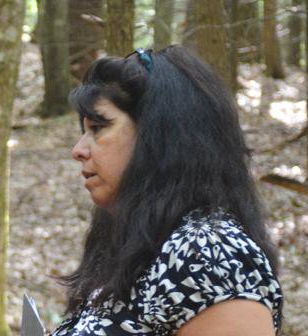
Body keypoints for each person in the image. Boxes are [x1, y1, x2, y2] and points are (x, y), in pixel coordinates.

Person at [53, 46, 282, 335]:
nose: (79, 150)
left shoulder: (209, 254)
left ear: (160, 138)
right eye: (84, 131)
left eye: (99, 127)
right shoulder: (144, 243)